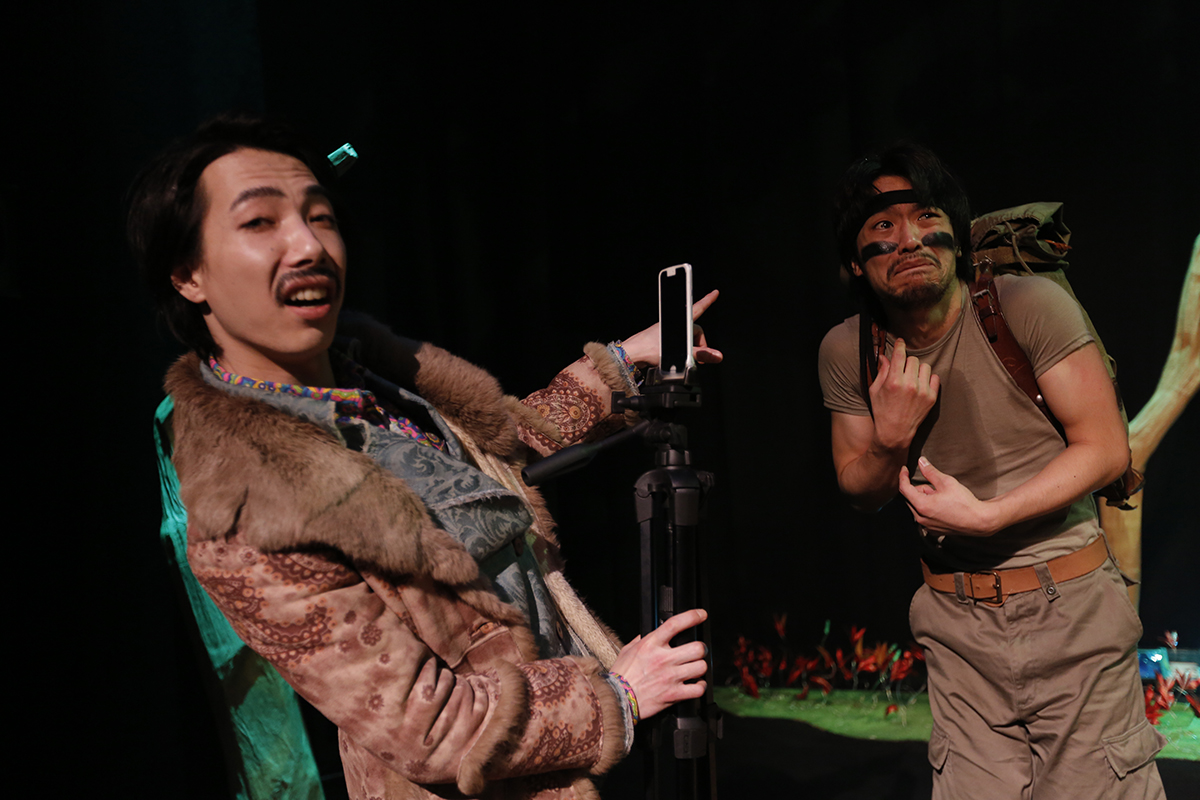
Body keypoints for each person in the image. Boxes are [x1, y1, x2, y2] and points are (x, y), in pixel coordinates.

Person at [129, 114, 720, 800]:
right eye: (260, 223)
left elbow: (498, 452)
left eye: (320, 217)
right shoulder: (248, 508)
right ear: (188, 275)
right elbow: (427, 727)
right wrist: (616, 696)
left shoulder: (375, 381)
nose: (308, 245)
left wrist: (621, 362)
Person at [817, 142, 1166, 799]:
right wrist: (890, 440)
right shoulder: (849, 349)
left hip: (1071, 609)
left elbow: (1105, 448)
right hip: (956, 626)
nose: (908, 239)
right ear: (854, 261)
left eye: (926, 216)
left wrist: (989, 515)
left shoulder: (1026, 305)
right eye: (883, 225)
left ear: (956, 235)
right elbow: (858, 488)